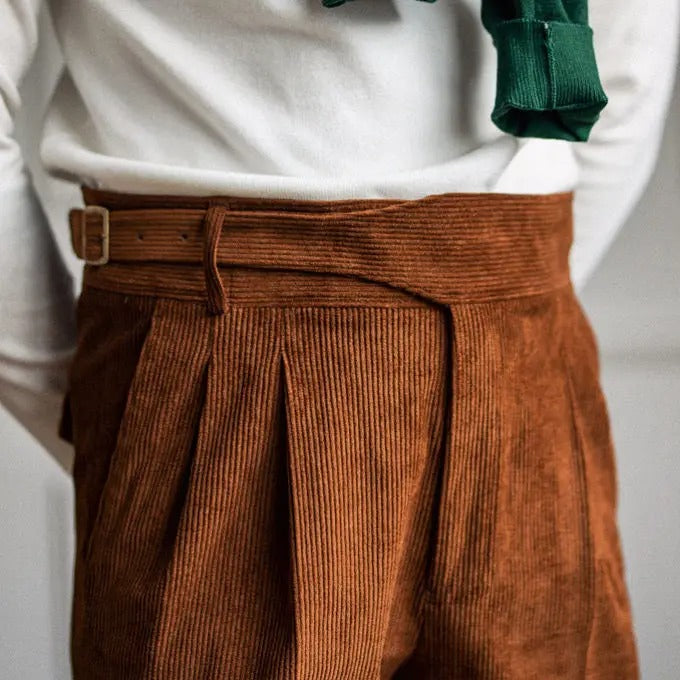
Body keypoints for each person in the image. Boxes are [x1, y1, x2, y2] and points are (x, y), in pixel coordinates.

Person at [1, 0, 677, 677]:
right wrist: (105, 413)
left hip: (526, 364)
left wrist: (510, 304)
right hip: (222, 356)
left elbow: (624, 63)